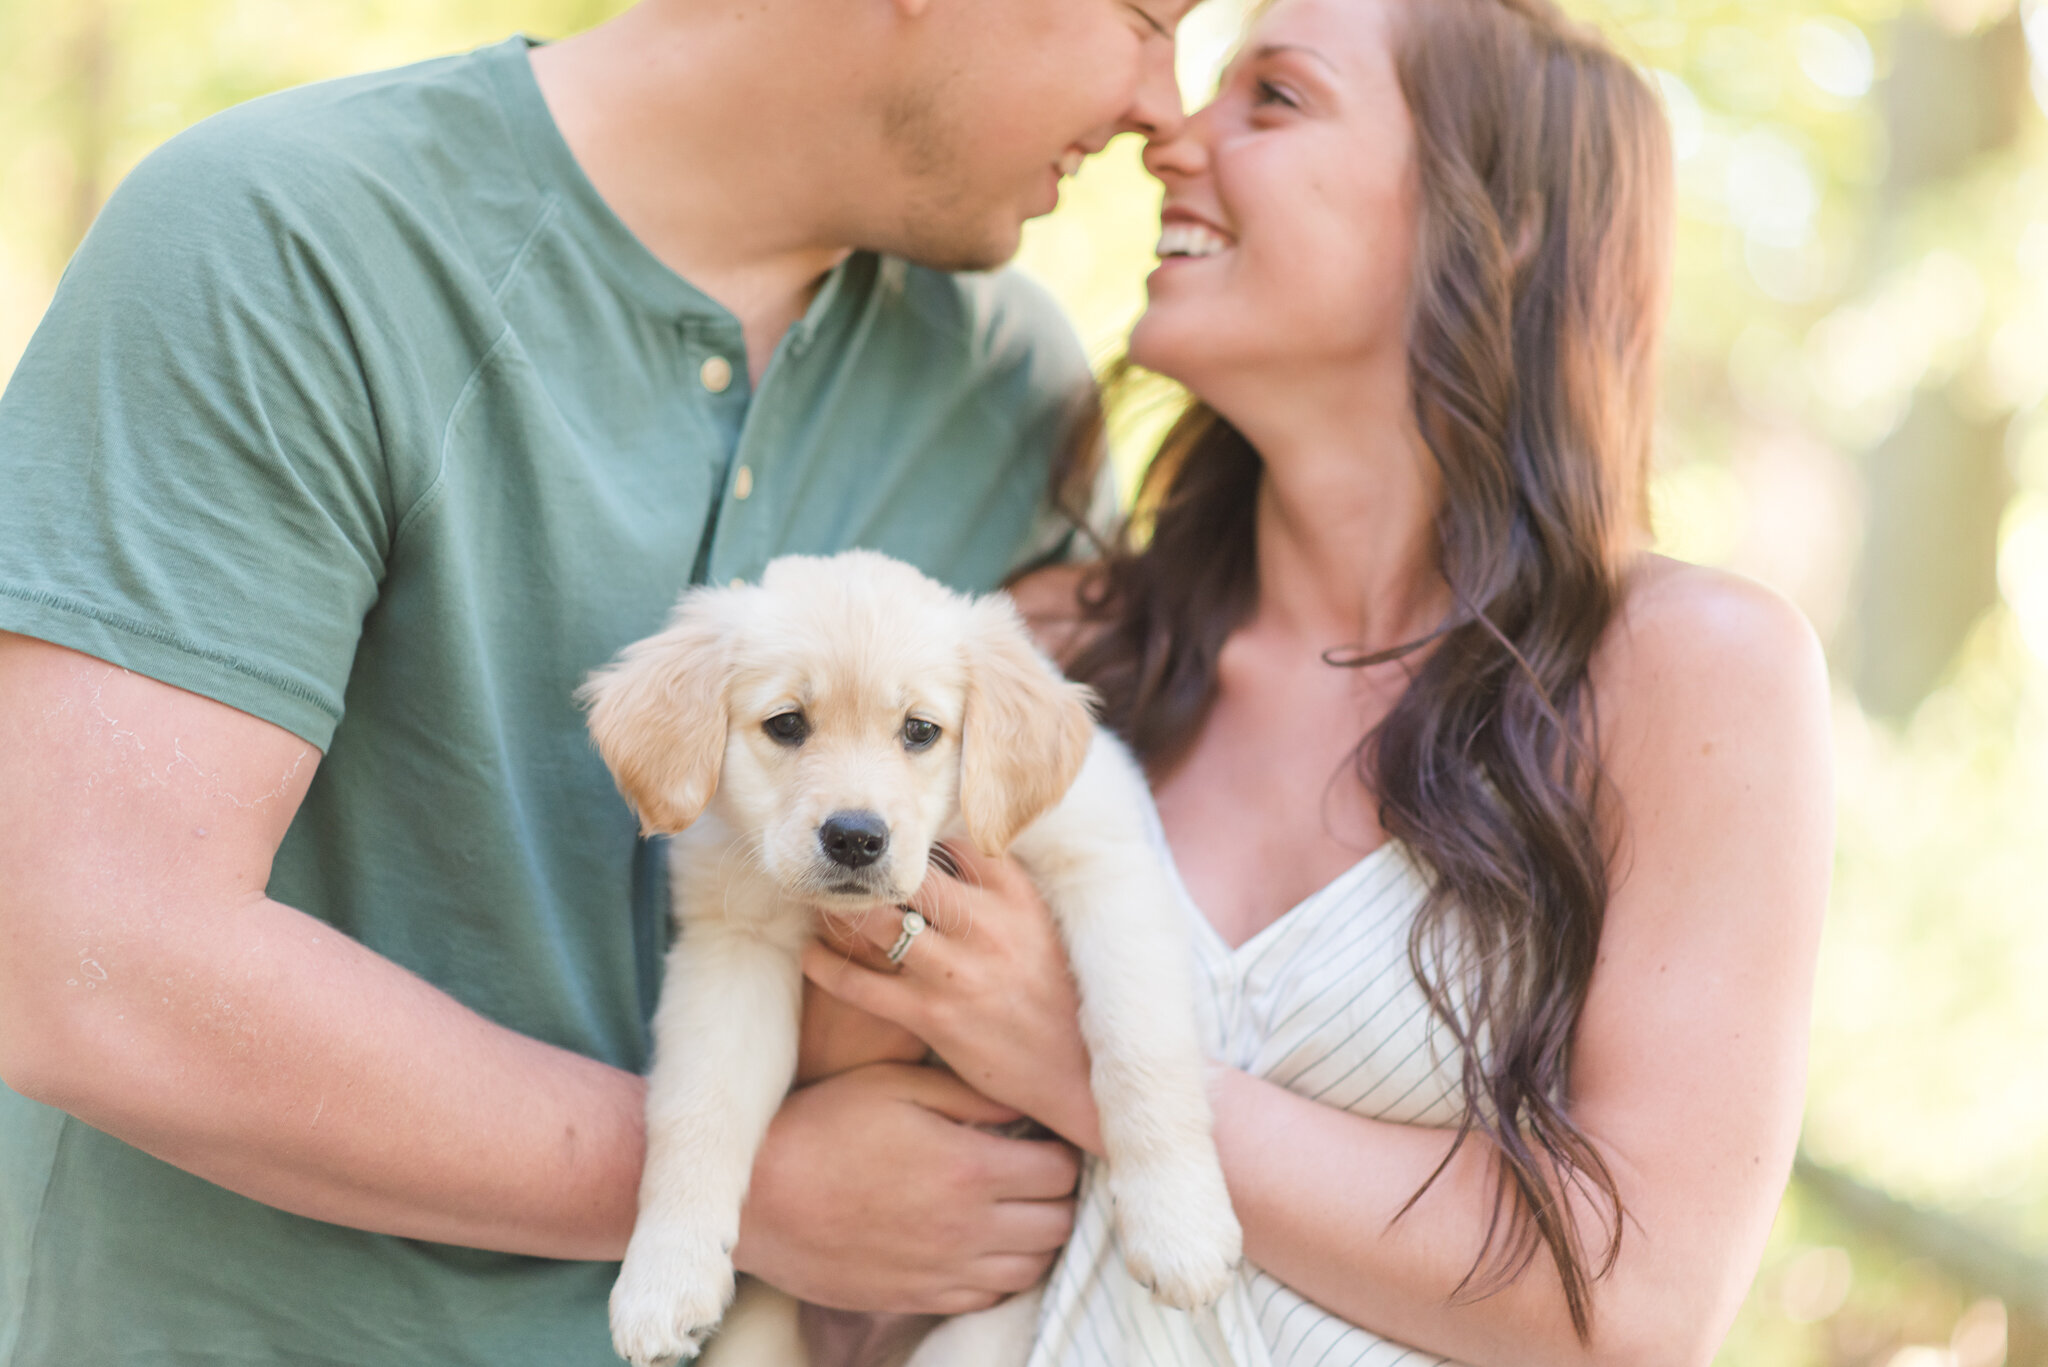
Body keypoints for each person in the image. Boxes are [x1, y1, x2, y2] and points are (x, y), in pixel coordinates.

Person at [0, 0, 1191, 1360]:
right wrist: (745, 1188)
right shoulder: (278, 241)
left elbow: (1040, 871)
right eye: (1154, 16)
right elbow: (90, 969)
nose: (1172, 107)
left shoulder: (1007, 381)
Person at [804, 0, 1834, 1362]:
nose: (1167, 135)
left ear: (1500, 218)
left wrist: (1091, 1058)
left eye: (1273, 98)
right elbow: (838, 1176)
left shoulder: (1691, 677)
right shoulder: (1042, 658)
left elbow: (1634, 1303)